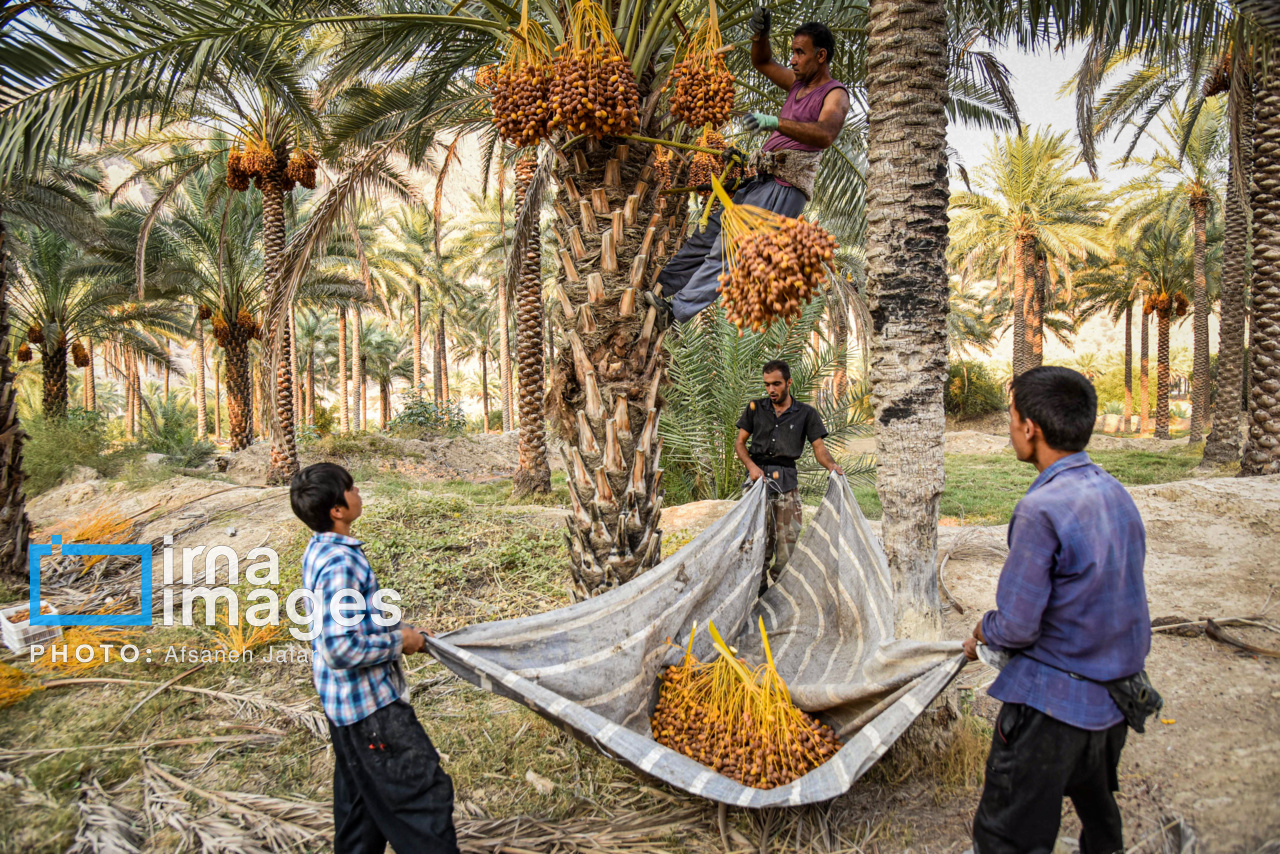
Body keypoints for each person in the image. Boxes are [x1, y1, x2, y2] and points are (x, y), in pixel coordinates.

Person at [962, 367, 1150, 854]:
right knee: (1101, 825)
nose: (1010, 428)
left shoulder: (1040, 509)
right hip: (1113, 707)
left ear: (1031, 429)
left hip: (1052, 714)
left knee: (1007, 838)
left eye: (1011, 417)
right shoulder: (1114, 492)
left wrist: (983, 630)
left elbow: (1018, 626)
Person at [290, 463, 459, 854]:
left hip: (344, 710)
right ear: (337, 509)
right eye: (350, 489)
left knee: (361, 809)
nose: (358, 493)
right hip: (372, 714)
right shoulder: (340, 562)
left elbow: (352, 620)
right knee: (422, 801)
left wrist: (406, 632)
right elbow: (339, 648)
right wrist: (399, 643)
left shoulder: (320, 549)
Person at [648, 10, 850, 327]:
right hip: (760, 182)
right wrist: (761, 35)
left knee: (726, 251)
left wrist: (774, 122)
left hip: (784, 188)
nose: (793, 60)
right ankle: (657, 288)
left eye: (800, 53)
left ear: (820, 55)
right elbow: (762, 63)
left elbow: (825, 134)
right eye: (793, 52)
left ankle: (674, 314)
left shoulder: (835, 94)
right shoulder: (798, 85)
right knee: (705, 236)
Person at [734, 359, 844, 592]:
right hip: (757, 484)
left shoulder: (806, 414)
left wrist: (832, 466)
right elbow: (740, 443)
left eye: (776, 384)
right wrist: (752, 467)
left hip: (787, 484)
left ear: (789, 382)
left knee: (787, 546)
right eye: (767, 385)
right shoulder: (755, 408)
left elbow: (819, 449)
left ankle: (780, 594)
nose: (771, 390)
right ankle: (758, 592)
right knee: (756, 542)